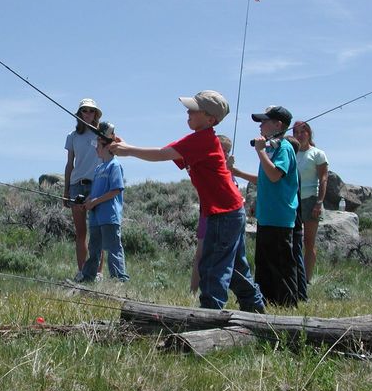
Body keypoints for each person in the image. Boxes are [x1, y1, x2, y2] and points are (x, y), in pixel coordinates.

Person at [110, 90, 264, 313]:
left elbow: (163, 154)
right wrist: (126, 146)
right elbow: (169, 153)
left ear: (210, 119)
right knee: (237, 269)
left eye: (194, 109)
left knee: (212, 266)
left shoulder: (202, 140)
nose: (188, 112)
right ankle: (256, 311)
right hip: (229, 211)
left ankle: (209, 315)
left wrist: (128, 151)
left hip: (224, 213)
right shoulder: (199, 140)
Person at [228, 105, 299, 307]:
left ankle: (287, 304)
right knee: (265, 263)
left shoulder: (283, 148)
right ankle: (267, 300)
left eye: (264, 121)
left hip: (280, 216)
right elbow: (265, 178)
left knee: (281, 263)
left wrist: (260, 152)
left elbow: (275, 175)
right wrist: (239, 172)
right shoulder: (271, 149)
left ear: (278, 125)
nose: (260, 125)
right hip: (268, 215)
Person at [78, 123, 129, 282]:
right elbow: (95, 193)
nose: (95, 149)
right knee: (94, 249)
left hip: (109, 217)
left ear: (107, 146)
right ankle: (88, 278)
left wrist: (95, 202)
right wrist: (87, 201)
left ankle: (119, 280)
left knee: (113, 249)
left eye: (97, 145)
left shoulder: (115, 166)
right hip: (95, 218)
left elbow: (116, 190)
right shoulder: (98, 168)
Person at [64, 99, 105, 281]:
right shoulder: (72, 136)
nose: (87, 113)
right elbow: (69, 164)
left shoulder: (102, 135)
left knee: (99, 232)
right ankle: (82, 271)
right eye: (84, 111)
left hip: (98, 186)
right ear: (79, 114)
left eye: (91, 111)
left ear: (96, 114)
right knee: (81, 233)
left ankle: (97, 273)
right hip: (77, 186)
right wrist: (66, 191)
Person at [190, 134, 233, 294]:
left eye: (228, 151)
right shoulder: (209, 166)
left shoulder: (227, 169)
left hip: (224, 216)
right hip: (207, 214)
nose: (226, 154)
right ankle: (193, 290)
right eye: (224, 150)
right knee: (201, 254)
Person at [293, 121, 329, 283]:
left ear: (309, 134)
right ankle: (294, 276)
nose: (299, 135)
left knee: (308, 241)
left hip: (311, 199)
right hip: (294, 199)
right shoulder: (291, 153)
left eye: (303, 132)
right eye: (296, 132)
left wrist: (319, 202)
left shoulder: (317, 154)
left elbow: (323, 178)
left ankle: (306, 279)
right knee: (293, 240)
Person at [284, 135, 308, 302]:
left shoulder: (292, 170)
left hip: (295, 221)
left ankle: (302, 295)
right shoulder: (295, 170)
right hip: (295, 220)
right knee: (295, 256)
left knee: (296, 258)